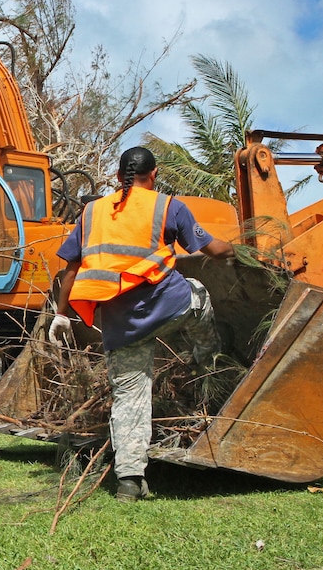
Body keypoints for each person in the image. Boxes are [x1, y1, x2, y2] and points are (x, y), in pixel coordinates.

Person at [49, 147, 233, 502]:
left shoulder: (91, 212)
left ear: (118, 177)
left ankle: (130, 481)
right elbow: (210, 248)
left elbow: (71, 268)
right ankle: (208, 362)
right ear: (156, 174)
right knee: (199, 295)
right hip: (169, 307)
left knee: (129, 399)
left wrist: (61, 313)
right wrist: (239, 251)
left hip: (122, 325)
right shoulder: (167, 206)